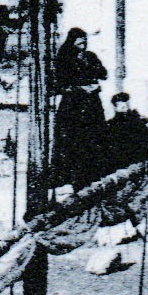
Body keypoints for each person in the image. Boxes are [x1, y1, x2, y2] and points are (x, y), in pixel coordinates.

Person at [48, 27, 110, 189]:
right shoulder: (64, 59)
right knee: (74, 140)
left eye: (84, 41)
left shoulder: (90, 56)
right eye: (79, 41)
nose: (83, 44)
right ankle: (72, 176)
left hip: (92, 105)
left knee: (93, 138)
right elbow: (59, 85)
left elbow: (104, 73)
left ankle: (93, 173)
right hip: (73, 106)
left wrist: (94, 75)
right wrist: (80, 88)